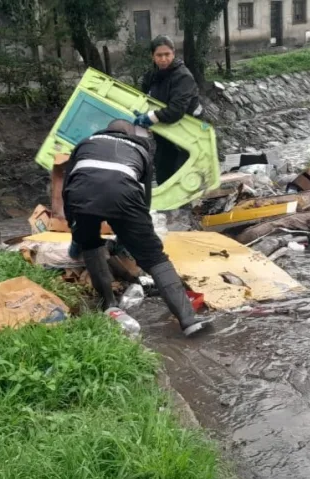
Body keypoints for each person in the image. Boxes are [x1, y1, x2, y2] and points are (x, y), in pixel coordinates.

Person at [63, 119, 209, 337]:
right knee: (154, 258)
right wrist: (138, 234)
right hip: (124, 195)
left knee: (90, 244)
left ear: (106, 130)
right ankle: (189, 322)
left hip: (80, 194)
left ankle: (109, 305)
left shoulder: (85, 143)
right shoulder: (140, 148)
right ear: (130, 134)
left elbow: (68, 183)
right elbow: (144, 198)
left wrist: (75, 229)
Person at [134, 35, 203, 185]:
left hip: (187, 135)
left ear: (173, 53)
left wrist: (150, 118)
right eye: (159, 55)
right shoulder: (151, 76)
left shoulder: (183, 77)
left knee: (182, 177)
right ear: (152, 56)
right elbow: (145, 98)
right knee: (163, 173)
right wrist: (142, 113)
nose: (163, 59)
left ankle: (185, 208)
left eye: (167, 55)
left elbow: (176, 110)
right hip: (164, 133)